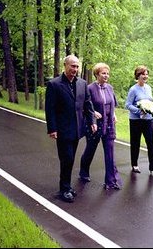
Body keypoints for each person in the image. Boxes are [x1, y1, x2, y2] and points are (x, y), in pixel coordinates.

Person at [45, 55, 97, 203]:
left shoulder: (82, 83)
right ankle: (64, 189)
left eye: (77, 66)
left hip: (77, 129)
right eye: (72, 66)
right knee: (66, 159)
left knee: (71, 158)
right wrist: (52, 129)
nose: (75, 69)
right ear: (65, 65)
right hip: (62, 129)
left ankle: (66, 186)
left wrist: (92, 120)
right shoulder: (54, 84)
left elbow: (88, 104)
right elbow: (50, 109)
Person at [79, 63, 122, 190]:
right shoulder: (90, 88)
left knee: (109, 152)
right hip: (94, 125)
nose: (106, 75)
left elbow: (112, 103)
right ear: (97, 74)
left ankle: (111, 181)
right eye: (103, 73)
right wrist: (93, 113)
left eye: (107, 73)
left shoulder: (110, 88)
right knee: (90, 149)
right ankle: (83, 171)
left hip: (109, 124)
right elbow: (83, 105)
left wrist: (113, 114)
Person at [125, 65, 153, 175]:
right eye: (143, 74)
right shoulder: (133, 89)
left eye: (147, 74)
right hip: (136, 121)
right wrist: (139, 111)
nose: (145, 76)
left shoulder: (149, 88)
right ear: (138, 76)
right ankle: (135, 165)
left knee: (151, 143)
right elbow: (127, 105)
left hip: (148, 120)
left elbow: (151, 105)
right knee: (135, 143)